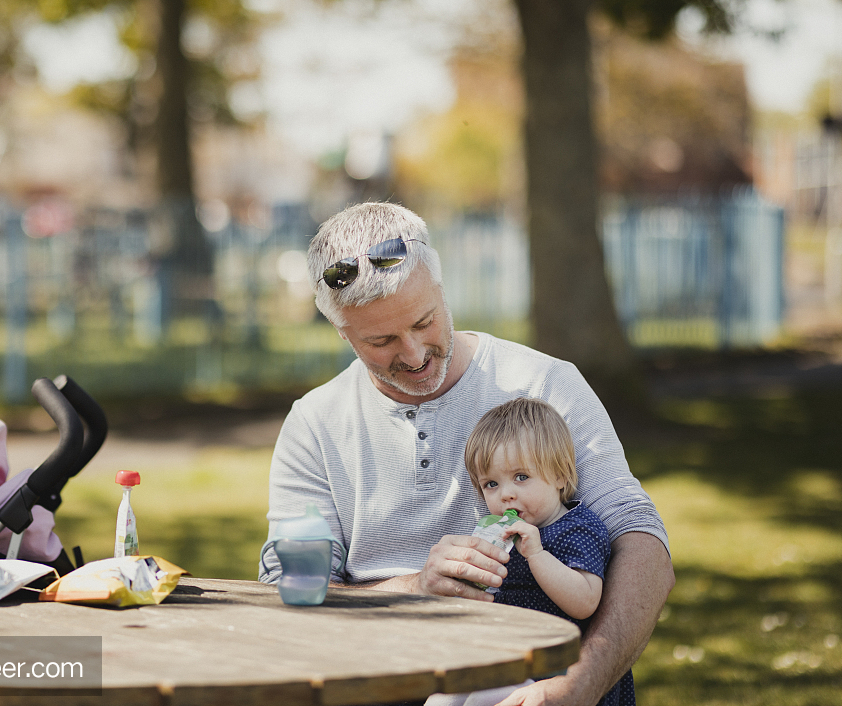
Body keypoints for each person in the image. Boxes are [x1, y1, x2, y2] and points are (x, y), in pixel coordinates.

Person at [260, 202, 673, 706]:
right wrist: (414, 589)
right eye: (382, 340)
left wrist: (577, 687)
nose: (413, 355)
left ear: (441, 288)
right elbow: (293, 594)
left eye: (424, 321)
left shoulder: (544, 383)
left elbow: (643, 543)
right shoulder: (315, 424)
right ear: (341, 332)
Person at [430, 397, 622, 706]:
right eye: (491, 484)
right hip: (503, 657)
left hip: (552, 672)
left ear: (560, 475)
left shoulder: (576, 528)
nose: (506, 494)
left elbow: (585, 601)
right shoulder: (501, 534)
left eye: (521, 477)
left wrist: (536, 555)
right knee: (444, 694)